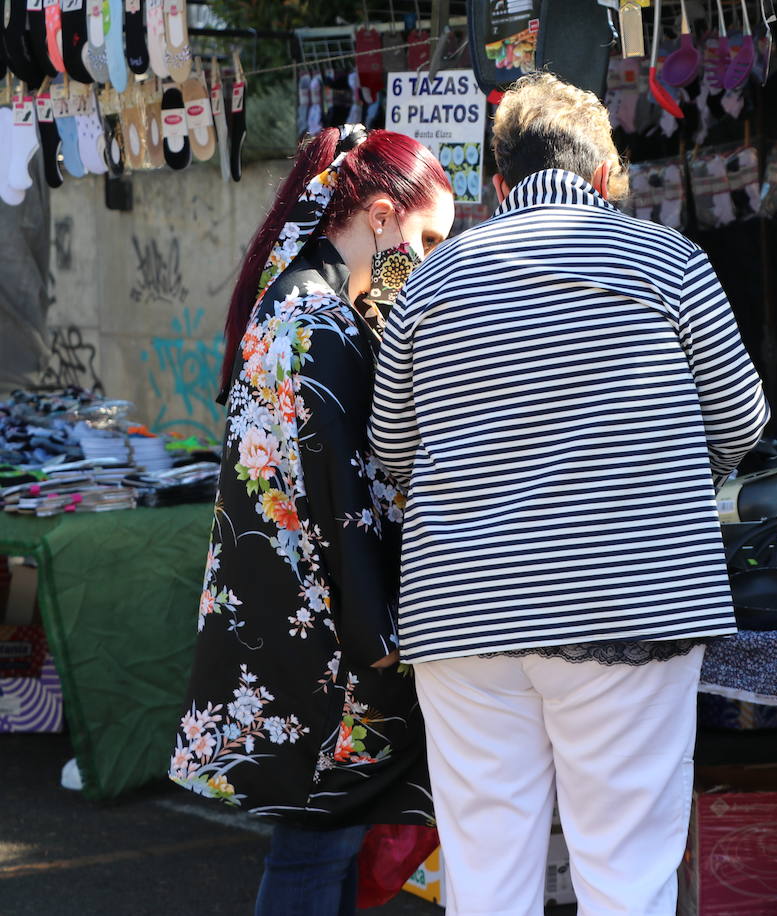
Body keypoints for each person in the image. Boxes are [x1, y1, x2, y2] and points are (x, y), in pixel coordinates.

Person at [368, 73, 770, 916]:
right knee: (625, 875)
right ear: (601, 179)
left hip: (464, 610)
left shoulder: (430, 285)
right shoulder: (672, 262)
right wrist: (662, 481)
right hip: (630, 603)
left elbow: (389, 450)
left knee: (486, 876)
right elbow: (740, 418)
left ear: (501, 183)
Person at [169, 125, 455, 916]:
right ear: (382, 215)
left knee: (312, 851)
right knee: (313, 854)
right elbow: (346, 509)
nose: (430, 259)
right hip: (327, 642)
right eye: (428, 235)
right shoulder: (323, 324)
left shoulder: (288, 299)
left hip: (285, 628)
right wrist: (383, 649)